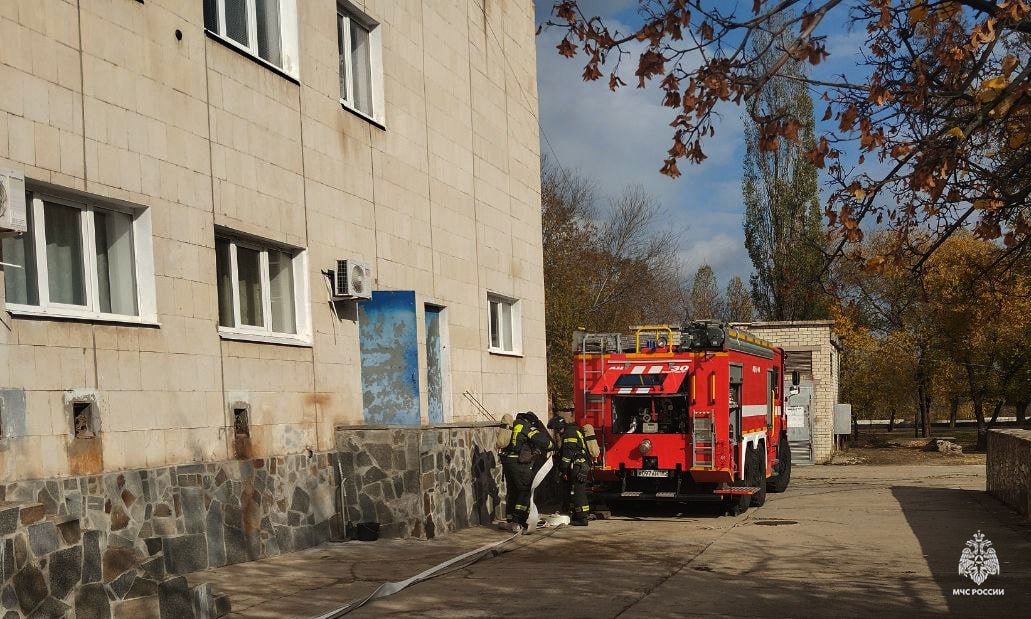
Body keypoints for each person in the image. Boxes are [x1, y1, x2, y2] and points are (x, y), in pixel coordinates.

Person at [548, 415, 591, 526]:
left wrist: (562, 469)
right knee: (577, 492)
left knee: (578, 493)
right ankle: (579, 515)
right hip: (580, 465)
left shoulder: (569, 434)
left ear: (559, 427)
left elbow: (567, 454)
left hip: (578, 466)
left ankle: (582, 519)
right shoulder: (572, 430)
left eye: (555, 429)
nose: (556, 432)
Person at [501, 413, 533, 529]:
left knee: (512, 491)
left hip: (507, 462)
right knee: (524, 490)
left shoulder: (511, 427)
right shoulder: (524, 427)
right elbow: (540, 440)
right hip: (517, 463)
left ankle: (510, 519)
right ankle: (518, 519)